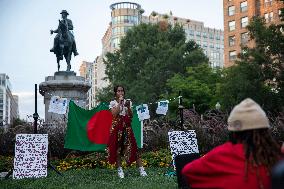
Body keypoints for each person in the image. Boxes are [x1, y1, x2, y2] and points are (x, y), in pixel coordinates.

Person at [182, 98, 282, 189]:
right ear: (266, 129)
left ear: (233, 130)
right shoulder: (276, 154)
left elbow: (187, 172)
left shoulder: (222, 154)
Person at [107, 85, 147, 178]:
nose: (121, 93)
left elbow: (131, 115)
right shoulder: (112, 103)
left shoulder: (128, 102)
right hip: (117, 129)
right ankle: (120, 170)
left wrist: (128, 107)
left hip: (127, 128)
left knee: (133, 147)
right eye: (118, 91)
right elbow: (114, 114)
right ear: (115, 93)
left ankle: (141, 169)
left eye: (122, 91)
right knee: (117, 149)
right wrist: (120, 103)